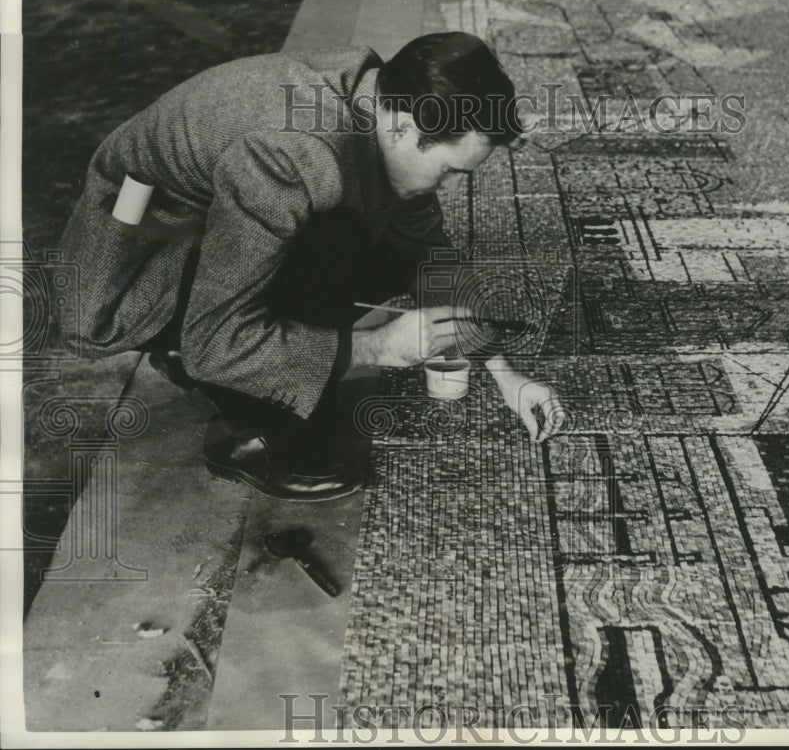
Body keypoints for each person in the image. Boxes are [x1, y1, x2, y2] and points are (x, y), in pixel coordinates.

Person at [58, 32, 563, 502]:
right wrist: (378, 346)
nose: (452, 190)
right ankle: (251, 436)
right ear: (404, 127)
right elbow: (215, 344)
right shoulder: (293, 152)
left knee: (384, 242)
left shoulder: (387, 102)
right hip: (140, 255)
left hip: (220, 218)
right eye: (451, 171)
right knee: (335, 245)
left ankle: (234, 351)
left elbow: (428, 252)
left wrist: (506, 374)